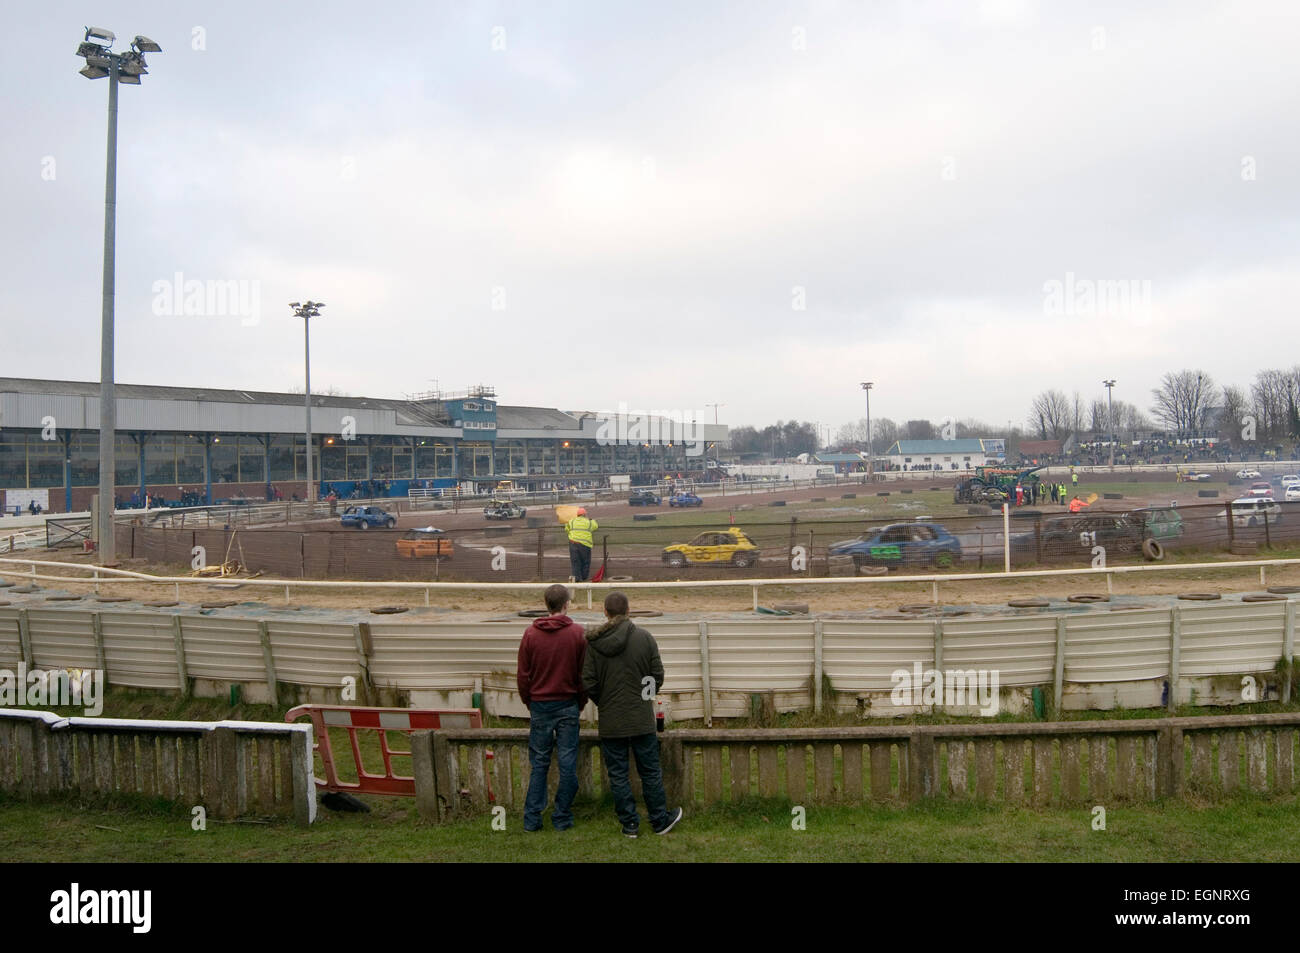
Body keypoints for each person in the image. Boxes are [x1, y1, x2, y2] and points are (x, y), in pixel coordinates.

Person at [582, 590, 683, 838]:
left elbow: (589, 682)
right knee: (649, 771)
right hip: (641, 720)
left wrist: (604, 702)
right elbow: (656, 675)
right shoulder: (644, 638)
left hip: (611, 721)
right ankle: (659, 820)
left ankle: (630, 824)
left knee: (617, 774)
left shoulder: (594, 644)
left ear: (605, 612)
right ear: (629, 611)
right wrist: (644, 697)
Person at [517, 584, 588, 832]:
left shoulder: (530, 634)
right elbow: (583, 675)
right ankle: (562, 816)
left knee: (539, 763)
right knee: (568, 762)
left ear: (546, 604)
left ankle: (532, 819)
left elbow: (523, 675)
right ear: (566, 604)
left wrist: (530, 701)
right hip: (568, 705)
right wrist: (580, 702)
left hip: (540, 705)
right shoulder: (578, 634)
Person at [565, 506, 598, 581]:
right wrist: (591, 520)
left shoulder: (572, 521)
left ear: (577, 515)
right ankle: (584, 578)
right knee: (585, 562)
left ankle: (576, 579)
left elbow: (567, 528)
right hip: (585, 545)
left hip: (573, 543)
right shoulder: (589, 522)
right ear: (585, 515)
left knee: (575, 562)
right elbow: (595, 526)